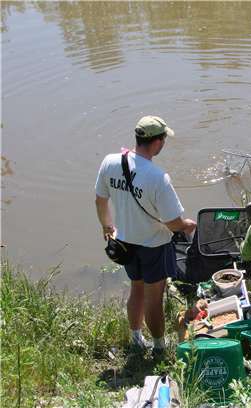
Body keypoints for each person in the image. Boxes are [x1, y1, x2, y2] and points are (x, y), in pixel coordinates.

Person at [95, 115, 196, 353]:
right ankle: (160, 346)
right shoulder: (158, 178)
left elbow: (100, 199)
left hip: (125, 242)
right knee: (154, 298)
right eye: (164, 139)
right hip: (153, 246)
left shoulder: (110, 162)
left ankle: (136, 338)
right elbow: (173, 223)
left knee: (136, 289)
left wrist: (107, 226)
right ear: (158, 142)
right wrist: (188, 225)